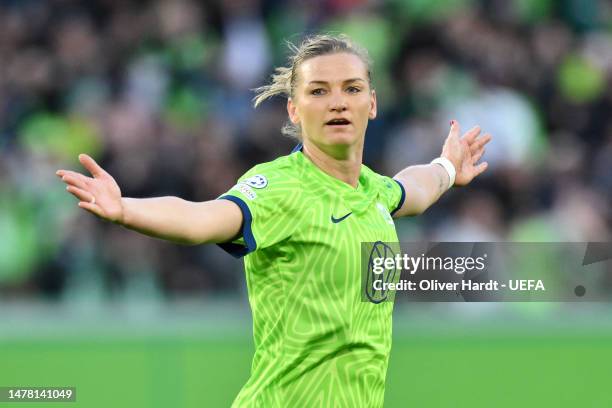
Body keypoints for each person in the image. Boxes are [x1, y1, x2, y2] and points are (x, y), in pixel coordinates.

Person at [56, 34, 491, 407]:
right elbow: (204, 217)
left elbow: (411, 190)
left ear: (372, 104)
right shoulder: (280, 187)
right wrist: (127, 209)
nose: (338, 102)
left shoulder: (372, 191)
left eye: (352, 88)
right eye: (318, 91)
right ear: (294, 111)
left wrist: (447, 169)